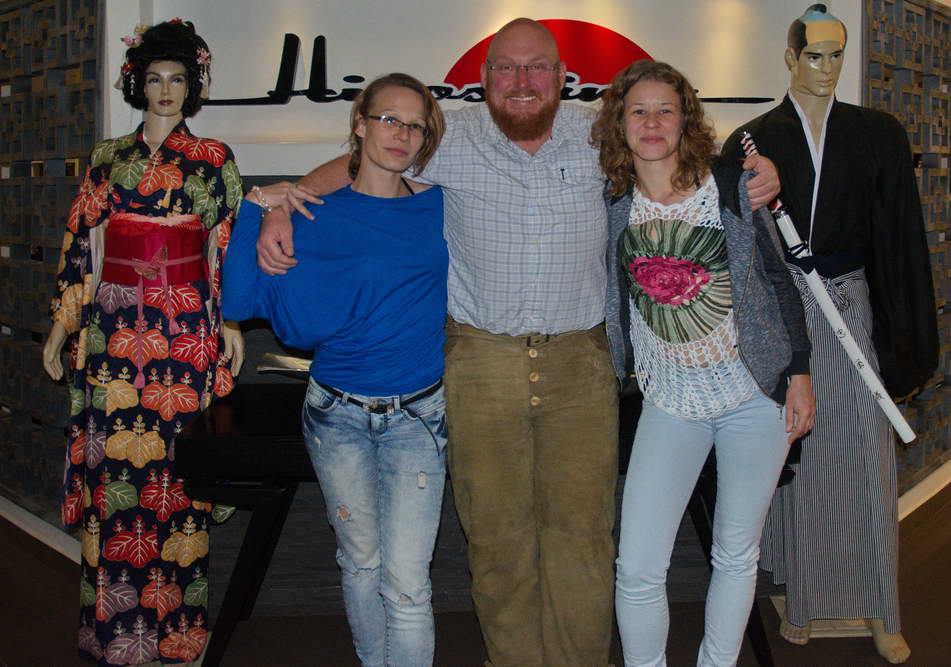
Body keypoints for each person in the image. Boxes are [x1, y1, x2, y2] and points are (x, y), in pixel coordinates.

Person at [255, 19, 781, 666]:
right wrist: (286, 202)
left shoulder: (599, 133)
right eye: (506, 67)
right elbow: (362, 162)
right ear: (485, 78)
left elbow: (676, 146)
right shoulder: (448, 136)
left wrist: (754, 171)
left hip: (580, 364)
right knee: (496, 537)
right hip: (481, 362)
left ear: (562, 76)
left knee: (583, 537)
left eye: (537, 67)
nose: (522, 81)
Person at [721, 5, 938, 663]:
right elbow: (735, 244)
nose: (826, 67)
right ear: (791, 57)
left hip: (849, 304)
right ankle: (805, 596)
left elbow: (899, 236)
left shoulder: (878, 134)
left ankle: (879, 604)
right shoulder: (751, 139)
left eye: (836, 54)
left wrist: (905, 336)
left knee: (867, 458)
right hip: (781, 311)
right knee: (799, 458)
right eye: (814, 54)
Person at [221, 73, 447, 667]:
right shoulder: (311, 214)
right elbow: (238, 300)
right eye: (389, 119)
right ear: (361, 124)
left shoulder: (439, 206)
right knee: (361, 564)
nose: (402, 134)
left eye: (415, 125)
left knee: (408, 583)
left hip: (418, 418)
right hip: (336, 416)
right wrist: (258, 206)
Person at [595, 59, 814, 666]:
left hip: (755, 396)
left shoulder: (731, 187)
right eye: (638, 110)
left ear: (685, 119)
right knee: (637, 565)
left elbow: (779, 279)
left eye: (665, 109)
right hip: (669, 401)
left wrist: (799, 372)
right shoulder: (610, 201)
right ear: (619, 123)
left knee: (736, 554)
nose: (652, 122)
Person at [42, 19, 245, 666]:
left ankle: (179, 631)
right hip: (114, 326)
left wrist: (232, 321)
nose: (165, 90)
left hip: (183, 329)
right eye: (154, 78)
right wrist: (62, 324)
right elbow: (82, 243)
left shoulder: (213, 158)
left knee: (177, 477)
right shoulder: (107, 157)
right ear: (138, 84)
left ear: (192, 86)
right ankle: (112, 633)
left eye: (177, 79)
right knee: (116, 476)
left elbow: (227, 246)